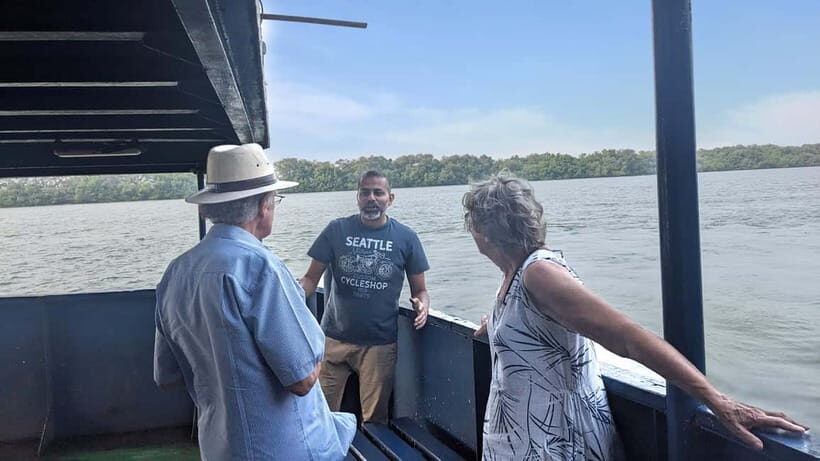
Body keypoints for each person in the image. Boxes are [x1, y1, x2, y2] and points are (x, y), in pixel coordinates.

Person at [464, 174, 808, 460]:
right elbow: (540, 329)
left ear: (484, 232)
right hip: (522, 440)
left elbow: (629, 338)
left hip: (555, 443)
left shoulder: (540, 273)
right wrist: (497, 326)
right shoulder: (515, 276)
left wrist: (717, 400)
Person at [153, 144, 355, 460]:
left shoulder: (175, 273)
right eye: (274, 201)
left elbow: (167, 376)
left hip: (220, 450)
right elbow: (302, 379)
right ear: (264, 206)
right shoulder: (261, 268)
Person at [300, 170, 430, 424]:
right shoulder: (337, 230)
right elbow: (309, 280)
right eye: (365, 192)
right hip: (333, 340)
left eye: (378, 193)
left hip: (379, 344)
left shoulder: (407, 238)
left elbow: (420, 290)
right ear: (357, 197)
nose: (372, 198)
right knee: (320, 415)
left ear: (390, 198)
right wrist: (289, 294)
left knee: (375, 420)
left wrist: (422, 305)